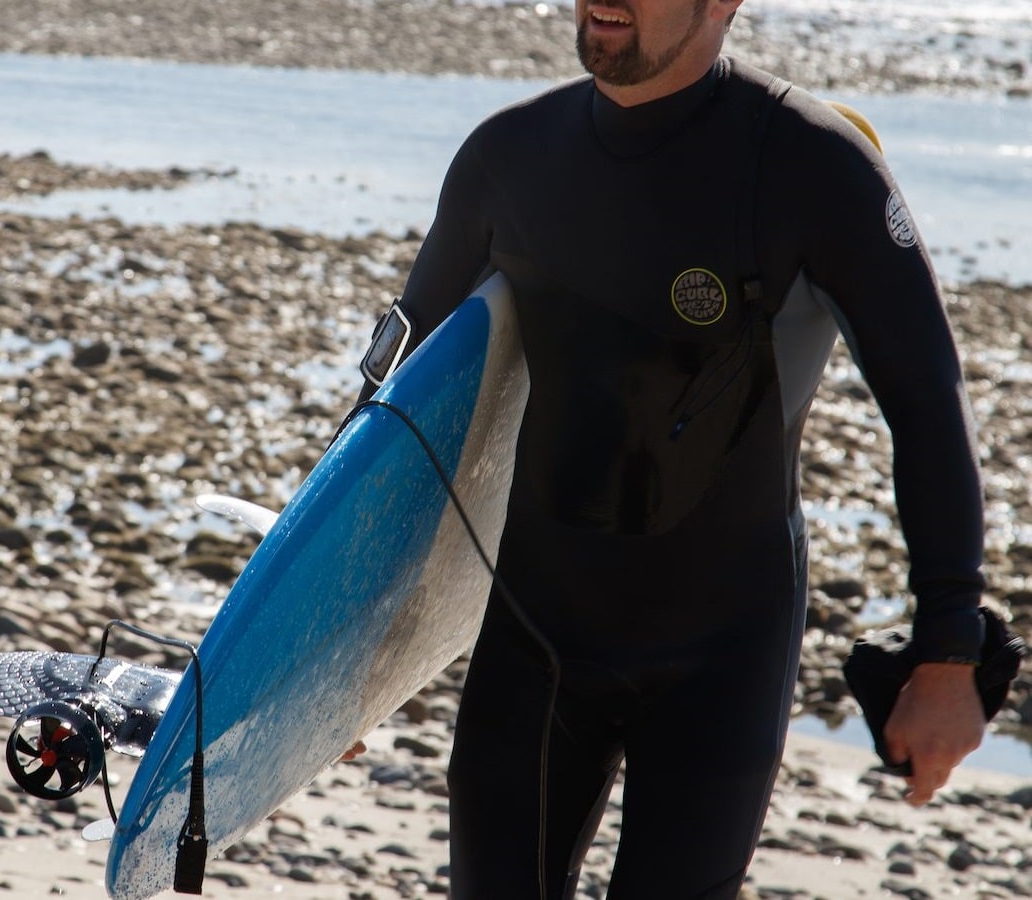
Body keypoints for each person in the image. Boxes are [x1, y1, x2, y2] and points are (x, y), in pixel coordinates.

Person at [349, 0, 989, 895]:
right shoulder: (510, 159)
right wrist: (341, 645)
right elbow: (395, 409)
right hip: (536, 642)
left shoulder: (817, 167)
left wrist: (949, 650)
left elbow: (926, 400)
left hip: (721, 657)